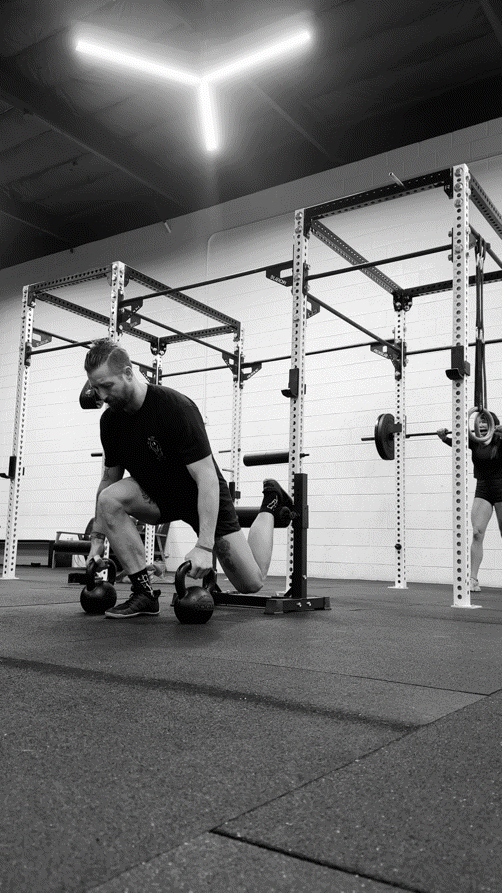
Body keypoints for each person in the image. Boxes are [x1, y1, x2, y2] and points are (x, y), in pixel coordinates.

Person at [83, 338, 293, 618]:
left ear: (128, 373)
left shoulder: (174, 407)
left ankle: (270, 505)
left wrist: (204, 546)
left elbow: (206, 478)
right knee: (109, 499)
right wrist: (97, 538)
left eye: (106, 386)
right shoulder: (110, 422)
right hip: (157, 496)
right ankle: (144, 594)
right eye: (95, 388)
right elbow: (109, 481)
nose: (101, 395)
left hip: (199, 494)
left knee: (251, 582)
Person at [437, 413, 502, 592]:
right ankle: (473, 579)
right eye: (479, 423)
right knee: (477, 533)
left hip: (501, 488)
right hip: (483, 489)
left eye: (485, 422)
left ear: (493, 425)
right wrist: (444, 438)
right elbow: (456, 443)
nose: (482, 426)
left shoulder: (500, 440)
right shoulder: (473, 441)